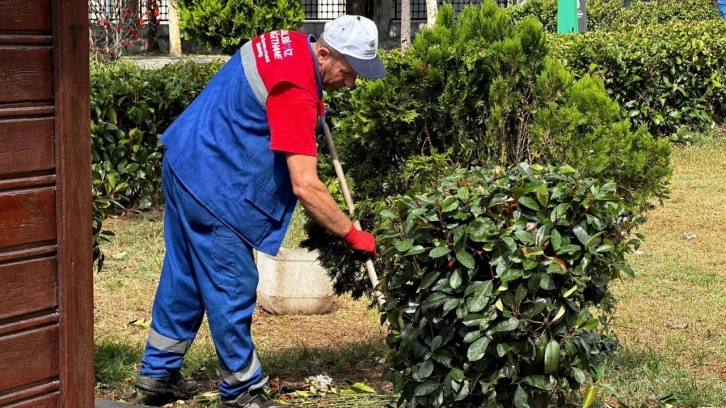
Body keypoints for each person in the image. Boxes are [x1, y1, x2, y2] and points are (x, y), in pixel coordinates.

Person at [134, 15, 386, 408]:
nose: (351, 84)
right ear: (323, 54)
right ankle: (243, 390)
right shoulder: (299, 92)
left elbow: (265, 96)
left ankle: (157, 374)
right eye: (349, 71)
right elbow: (306, 185)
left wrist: (313, 106)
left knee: (184, 275)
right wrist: (352, 234)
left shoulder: (287, 42)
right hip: (214, 185)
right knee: (231, 285)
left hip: (185, 159)